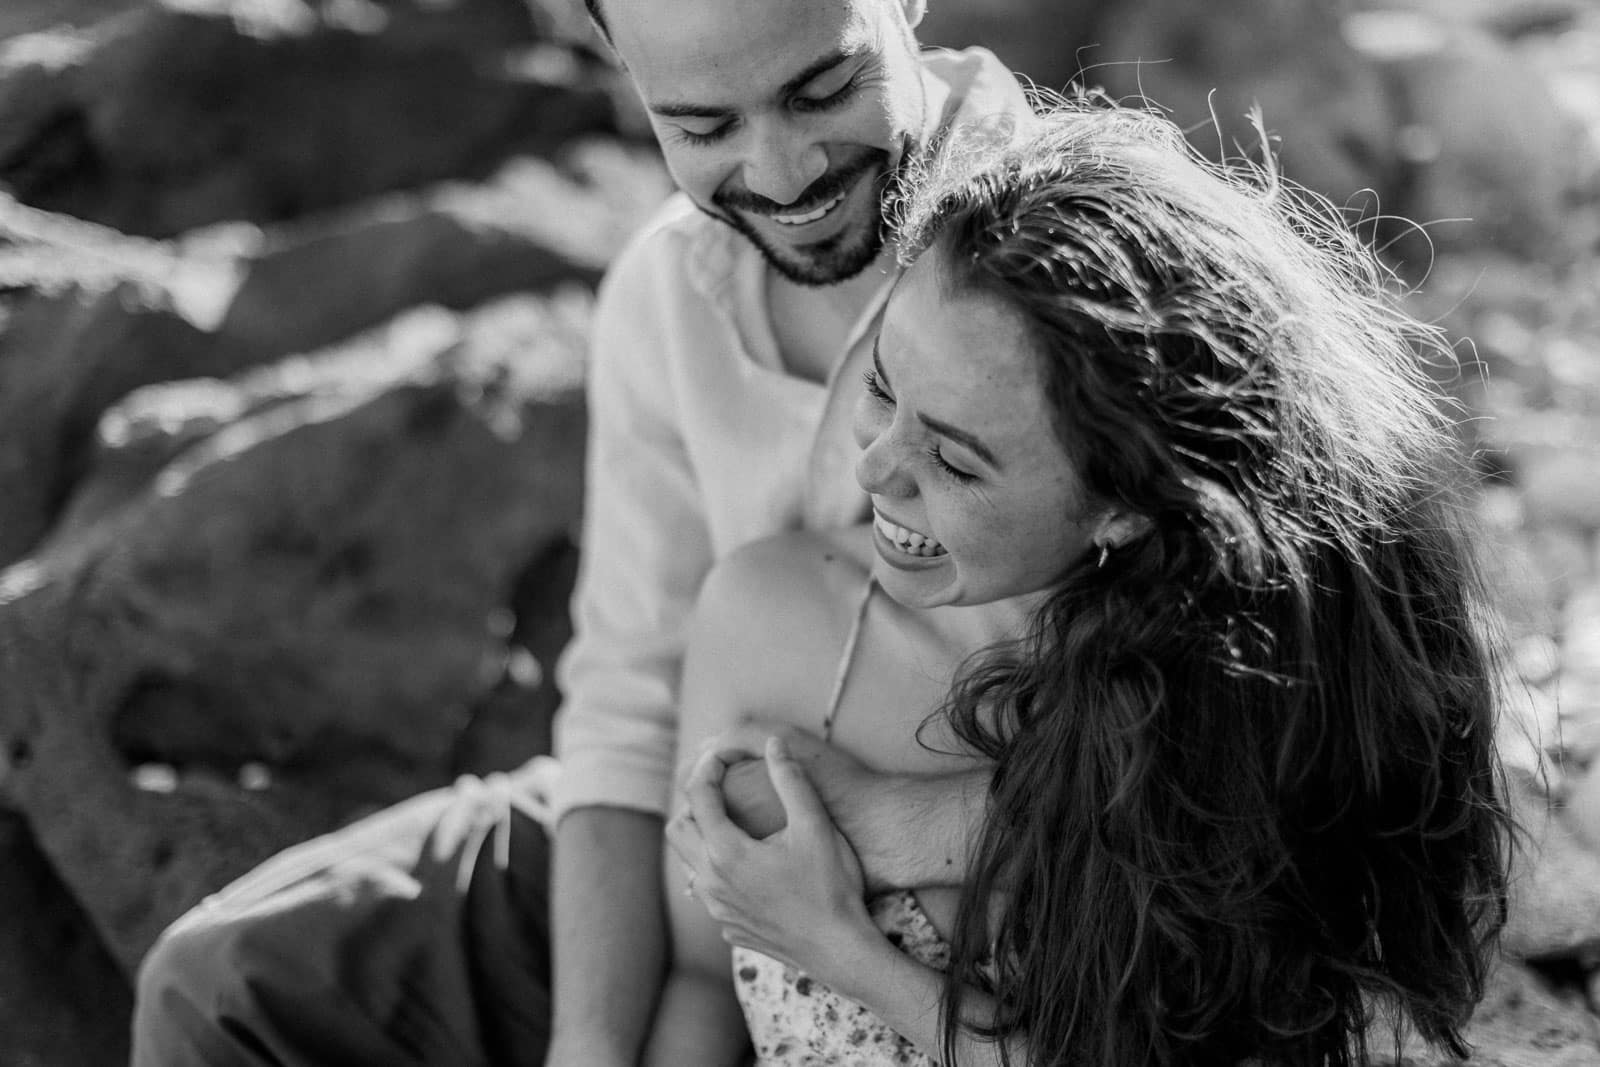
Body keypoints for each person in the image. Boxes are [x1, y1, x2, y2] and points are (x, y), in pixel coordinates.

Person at [129, 0, 1027, 1063]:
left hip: (985, 871)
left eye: (822, 90)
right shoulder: (665, 291)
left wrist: (882, 846)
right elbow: (628, 708)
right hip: (700, 833)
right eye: (701, 128)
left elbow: (1220, 747)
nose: (782, 173)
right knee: (221, 983)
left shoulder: (1078, 268)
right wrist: (590, 1045)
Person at [656, 101, 1513, 1066]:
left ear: (1126, 505)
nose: (875, 471)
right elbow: (695, 984)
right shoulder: (769, 617)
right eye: (886, 386)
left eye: (956, 461)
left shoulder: (1271, 730)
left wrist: (844, 947)